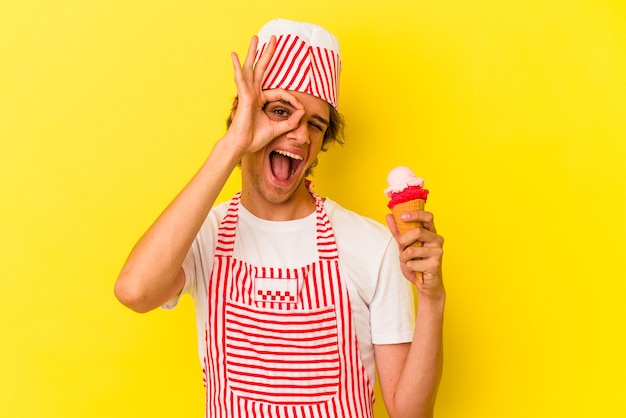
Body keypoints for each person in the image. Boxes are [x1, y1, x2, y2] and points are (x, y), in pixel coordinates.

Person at [115, 18, 445, 418]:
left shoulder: (372, 245)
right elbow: (135, 291)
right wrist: (233, 144)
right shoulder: (204, 235)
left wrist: (432, 300)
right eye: (279, 112)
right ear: (244, 114)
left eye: (315, 125)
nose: (300, 135)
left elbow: (410, 414)